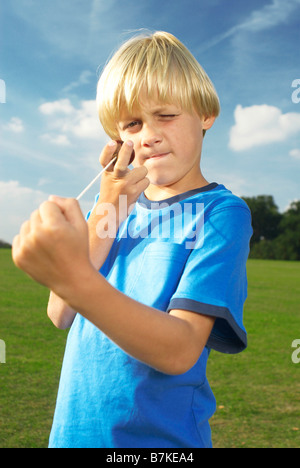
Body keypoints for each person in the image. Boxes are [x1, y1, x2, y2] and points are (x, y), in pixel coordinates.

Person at [12, 31, 252, 448]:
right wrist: (108, 208)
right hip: (73, 436)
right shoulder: (110, 208)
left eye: (166, 115)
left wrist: (76, 281)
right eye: (133, 124)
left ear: (205, 113)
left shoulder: (221, 213)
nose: (148, 136)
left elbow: (178, 352)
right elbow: (60, 312)